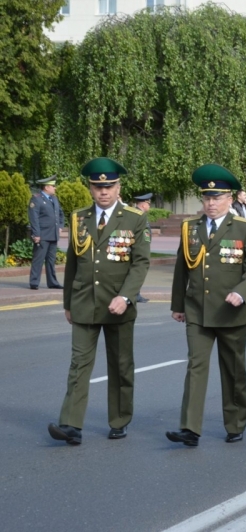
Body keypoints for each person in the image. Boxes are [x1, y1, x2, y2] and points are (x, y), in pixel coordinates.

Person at [47, 158, 151, 445]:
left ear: (119, 187)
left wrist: (127, 296)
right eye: (97, 186)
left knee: (120, 365)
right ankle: (71, 425)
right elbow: (72, 262)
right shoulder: (79, 217)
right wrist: (68, 301)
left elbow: (140, 263)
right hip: (84, 302)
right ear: (90, 188)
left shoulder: (135, 218)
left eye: (109, 186)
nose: (103, 192)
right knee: (78, 365)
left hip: (118, 304)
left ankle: (119, 419)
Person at [166, 165, 246, 446]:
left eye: (217, 197)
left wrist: (241, 292)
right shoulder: (190, 229)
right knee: (196, 366)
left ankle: (235, 423)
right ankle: (190, 428)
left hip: (231, 311)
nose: (211, 203)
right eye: (207, 198)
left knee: (233, 369)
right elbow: (181, 269)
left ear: (230, 199)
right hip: (197, 309)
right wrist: (177, 304)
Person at [28, 176, 65, 290]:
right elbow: (34, 218)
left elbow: (60, 214)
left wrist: (60, 226)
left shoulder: (54, 199)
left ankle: (52, 282)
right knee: (38, 259)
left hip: (53, 234)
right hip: (42, 235)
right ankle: (34, 282)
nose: (55, 188)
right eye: (53, 186)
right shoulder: (36, 199)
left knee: (51, 260)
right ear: (47, 187)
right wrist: (36, 234)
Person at [132, 192, 153, 303]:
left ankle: (136, 293)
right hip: (137, 249)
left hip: (140, 247)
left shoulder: (139, 215)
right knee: (138, 269)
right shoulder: (137, 216)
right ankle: (135, 294)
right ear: (144, 204)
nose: (149, 206)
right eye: (148, 204)